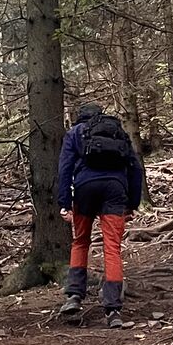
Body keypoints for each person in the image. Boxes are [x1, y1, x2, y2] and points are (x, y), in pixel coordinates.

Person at [56, 98, 143, 326]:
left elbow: (65, 169)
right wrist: (132, 204)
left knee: (80, 241)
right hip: (115, 189)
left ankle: (74, 296)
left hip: (84, 189)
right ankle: (113, 310)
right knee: (112, 247)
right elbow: (135, 169)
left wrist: (64, 202)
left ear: (80, 116)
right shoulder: (117, 132)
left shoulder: (75, 133)